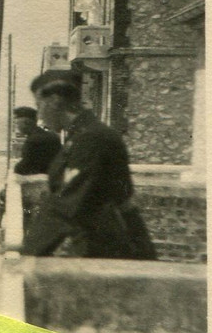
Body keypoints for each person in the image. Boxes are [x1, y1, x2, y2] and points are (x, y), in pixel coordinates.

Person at [23, 75, 156, 259]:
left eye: (39, 106)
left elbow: (64, 205)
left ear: (54, 101)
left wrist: (28, 253)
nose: (39, 115)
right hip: (100, 247)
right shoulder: (81, 135)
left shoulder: (92, 138)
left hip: (113, 251)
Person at [12, 106, 62, 176]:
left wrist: (16, 168)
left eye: (17, 123)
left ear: (26, 123)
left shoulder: (33, 141)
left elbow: (23, 167)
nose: (17, 127)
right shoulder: (51, 136)